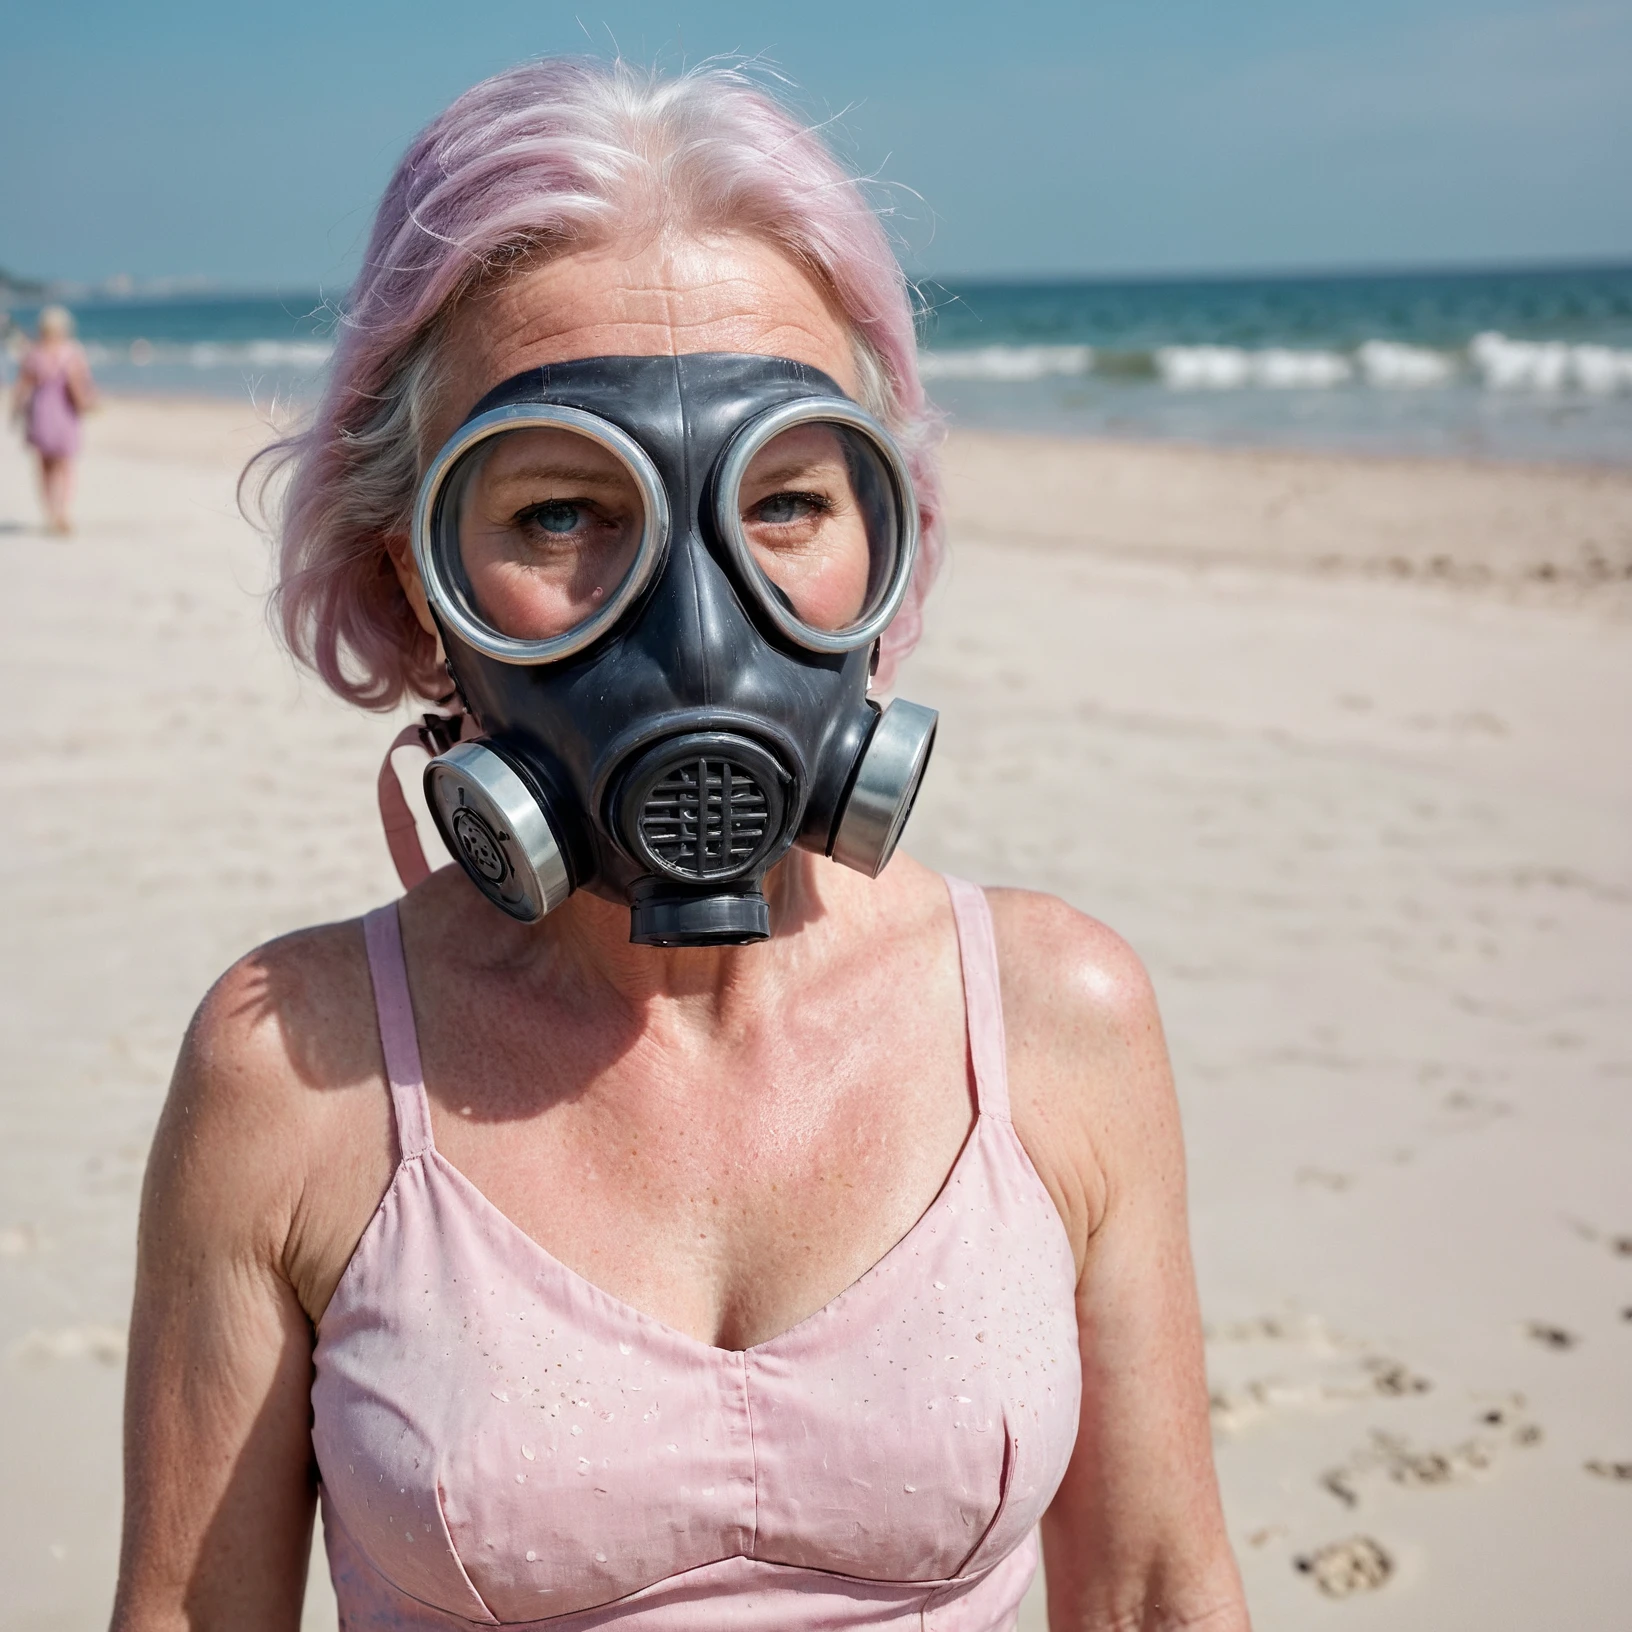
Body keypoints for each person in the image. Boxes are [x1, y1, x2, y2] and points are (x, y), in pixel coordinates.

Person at [112, 59, 1250, 1632]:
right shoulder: (291, 1079)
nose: (697, 624)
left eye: (782, 501)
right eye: (566, 516)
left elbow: (1150, 1593)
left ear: (883, 538)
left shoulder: (1062, 1024)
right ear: (414, 578)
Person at [11, 304, 95, 534]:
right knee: (66, 466)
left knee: (44, 467)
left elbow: (22, 387)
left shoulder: (34, 353)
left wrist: (14, 413)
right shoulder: (71, 353)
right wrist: (87, 405)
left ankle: (50, 514)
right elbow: (79, 386)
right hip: (64, 414)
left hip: (40, 413)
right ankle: (63, 513)